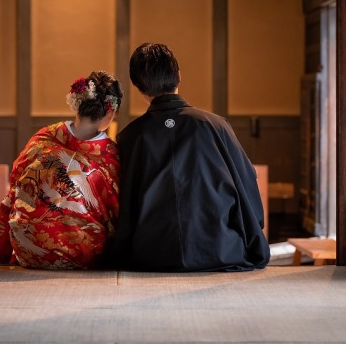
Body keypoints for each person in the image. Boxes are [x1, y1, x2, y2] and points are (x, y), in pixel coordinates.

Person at [107, 43, 270, 272]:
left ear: (138, 86)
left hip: (150, 256)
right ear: (179, 76)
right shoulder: (215, 126)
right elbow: (246, 187)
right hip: (219, 250)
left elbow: (119, 205)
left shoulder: (130, 137)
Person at [0, 70, 124, 269]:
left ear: (78, 103)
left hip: (28, 250)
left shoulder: (45, 137)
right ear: (110, 112)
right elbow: (115, 212)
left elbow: (16, 188)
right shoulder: (110, 156)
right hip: (81, 259)